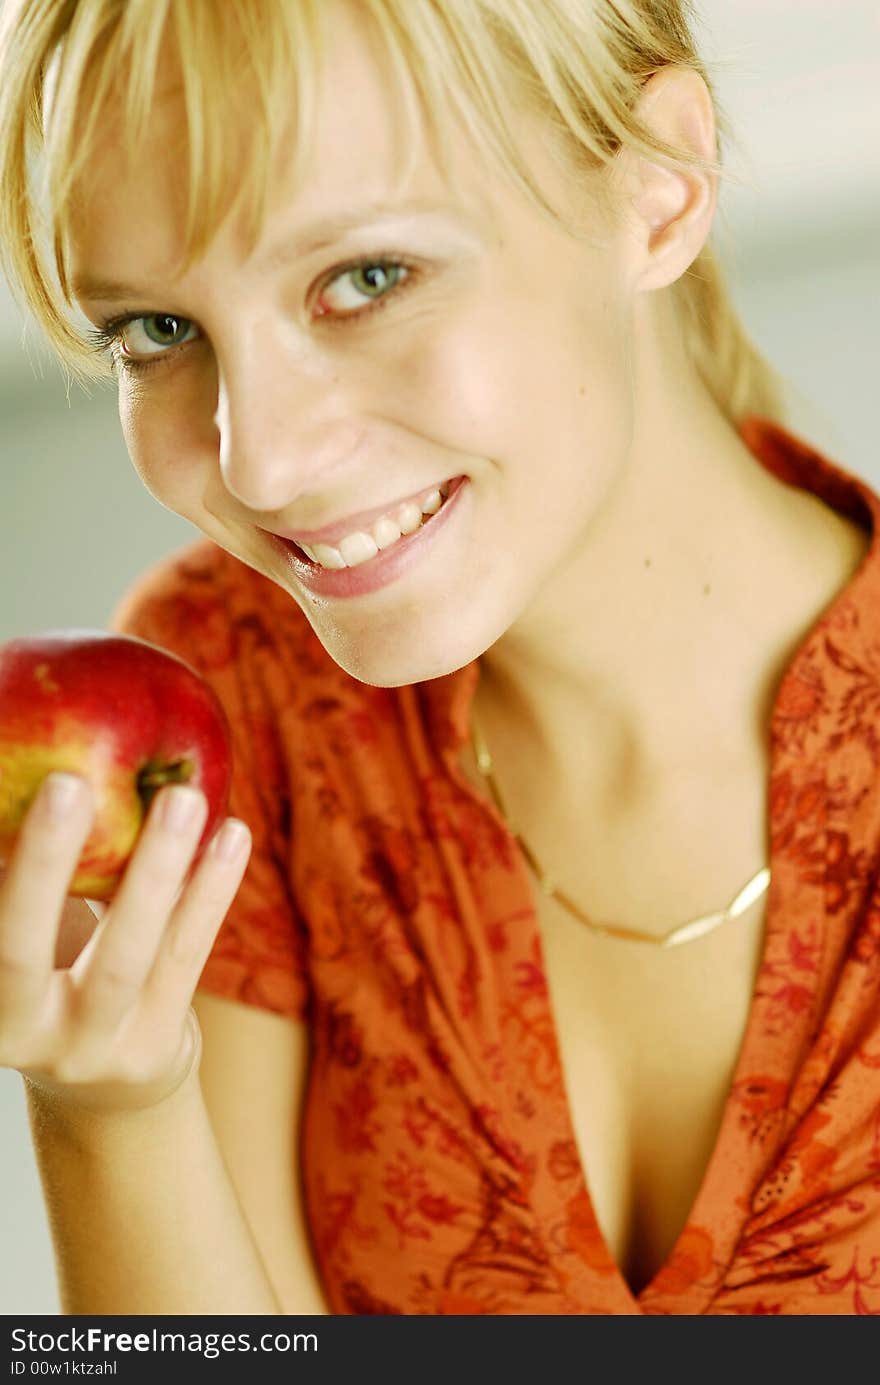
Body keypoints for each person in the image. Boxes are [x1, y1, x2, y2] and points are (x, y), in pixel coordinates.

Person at [0, 0, 877, 1317]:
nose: (260, 462)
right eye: (157, 332)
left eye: (362, 278)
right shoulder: (234, 686)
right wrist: (113, 1103)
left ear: (656, 186)